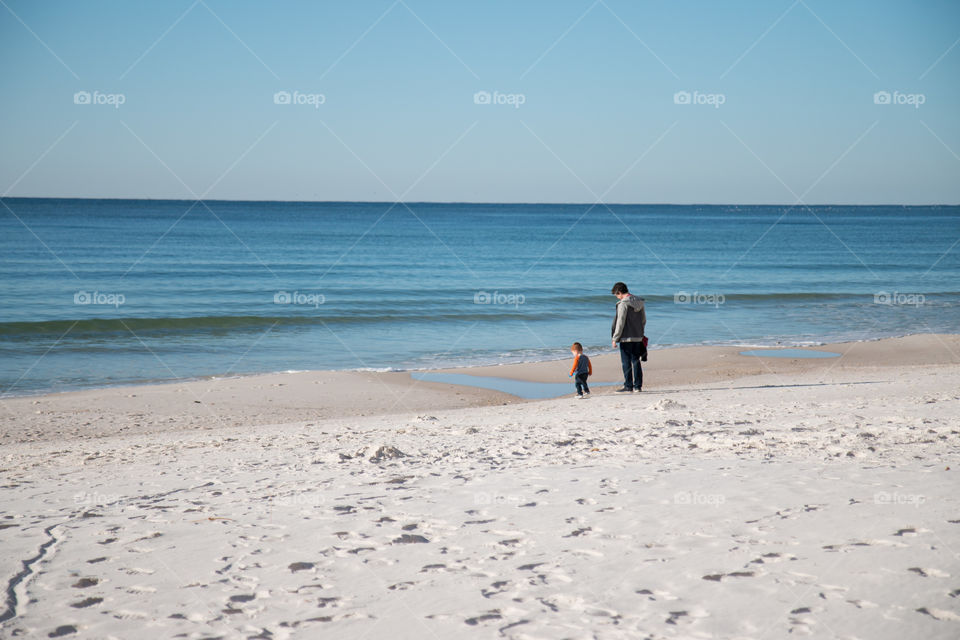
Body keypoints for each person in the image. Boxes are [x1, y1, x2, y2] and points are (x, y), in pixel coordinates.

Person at [610, 282, 646, 393]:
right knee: (636, 361)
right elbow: (643, 319)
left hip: (626, 337)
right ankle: (638, 386)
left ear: (619, 292)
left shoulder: (623, 304)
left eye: (616, 295)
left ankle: (628, 385)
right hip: (638, 335)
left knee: (626, 362)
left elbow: (620, 322)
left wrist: (615, 338)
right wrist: (640, 332)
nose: (617, 297)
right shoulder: (639, 302)